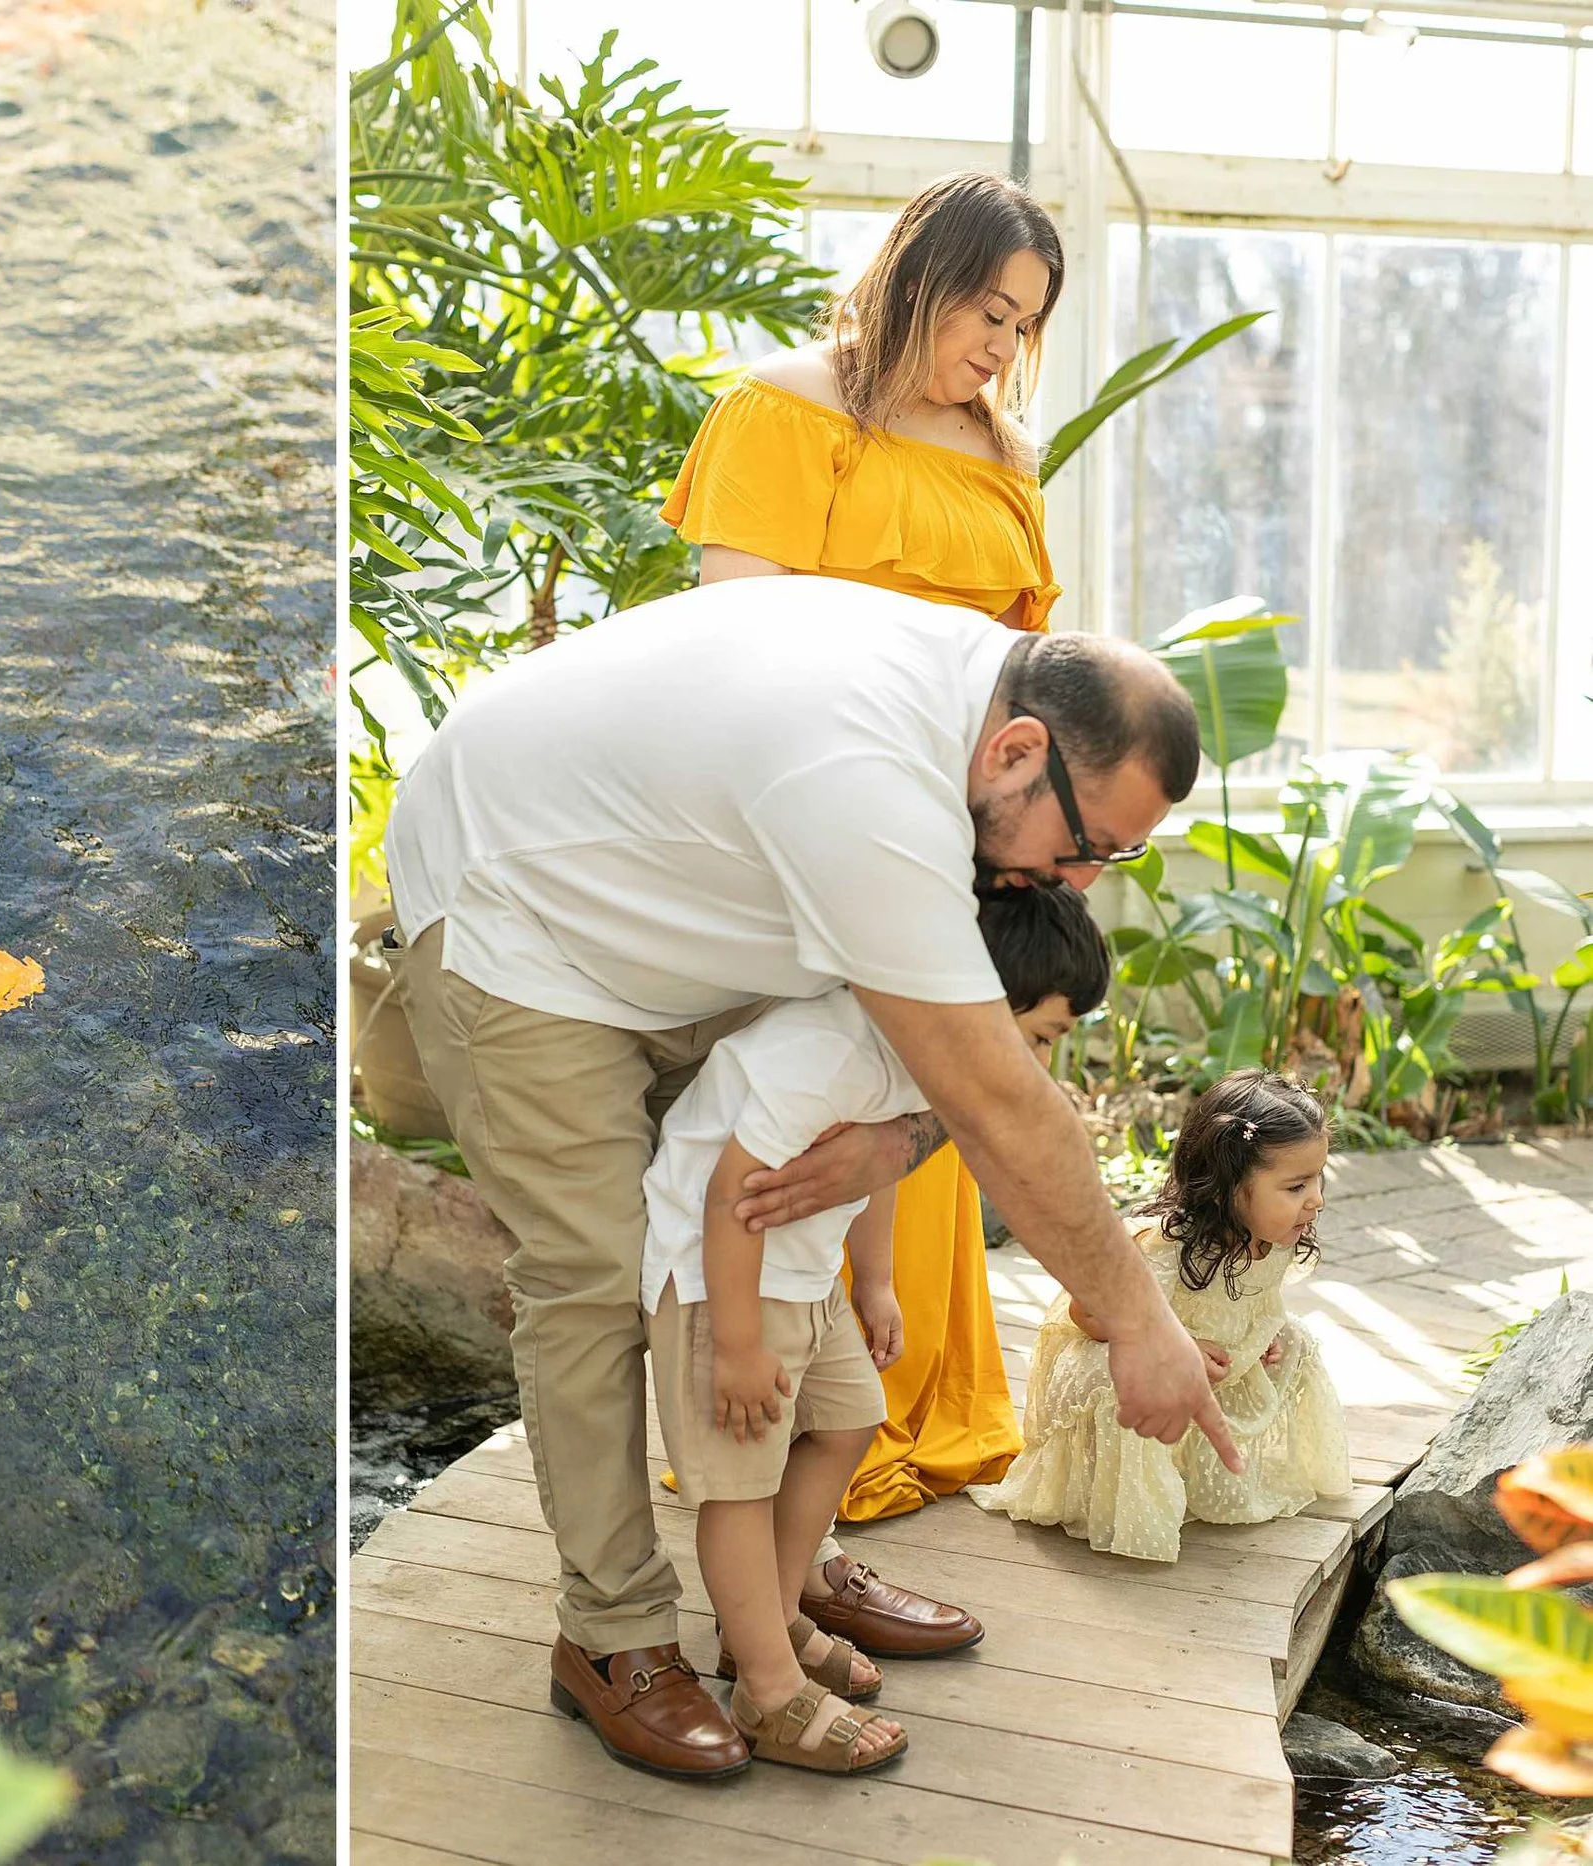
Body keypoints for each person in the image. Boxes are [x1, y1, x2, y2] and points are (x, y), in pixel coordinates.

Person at [383, 571, 1242, 1781]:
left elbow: (937, 1071)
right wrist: (1136, 1320)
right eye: (1085, 845)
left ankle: (776, 1586)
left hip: (683, 907)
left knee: (792, 1277)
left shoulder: (984, 729)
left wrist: (892, 1144)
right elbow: (998, 1097)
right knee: (591, 1273)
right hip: (517, 914)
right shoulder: (863, 780)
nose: (1079, 882)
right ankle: (615, 1638)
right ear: (1017, 749)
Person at [658, 172, 1070, 1646]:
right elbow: (733, 643)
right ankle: (783, 1529)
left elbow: (1030, 671)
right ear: (917, 273)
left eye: (1022, 327)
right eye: (985, 310)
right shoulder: (783, 412)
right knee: (803, 1127)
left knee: (923, 1127)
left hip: (955, 837)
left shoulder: (998, 446)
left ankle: (854, 1476)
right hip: (814, 827)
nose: (997, 348)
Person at [639, 885, 1109, 1774]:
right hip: (718, 1281)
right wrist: (736, 1346)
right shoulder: (823, 1051)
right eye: (1040, 1037)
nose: (1042, 1064)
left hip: (802, 1274)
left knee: (850, 1418)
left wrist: (879, 1282)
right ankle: (770, 1692)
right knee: (737, 1482)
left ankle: (767, 1628)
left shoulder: (917, 1051)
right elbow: (729, 1194)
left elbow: (883, 1161)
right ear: (977, 1002)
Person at [970, 1071, 1352, 1562]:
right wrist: (1175, 1347)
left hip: (1214, 1363)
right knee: (1110, 1377)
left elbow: (1252, 1300)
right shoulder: (1165, 1245)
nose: (1316, 1199)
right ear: (1226, 1185)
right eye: (1297, 1185)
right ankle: (1126, 1495)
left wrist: (1266, 1332)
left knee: (1297, 1338)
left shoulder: (1273, 1236)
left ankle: (1205, 1476)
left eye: (1318, 1178)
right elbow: (1087, 1313)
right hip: (1125, 1354)